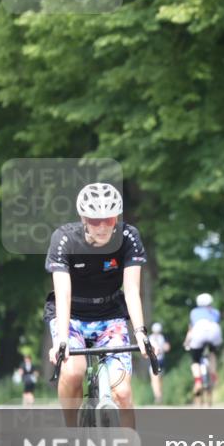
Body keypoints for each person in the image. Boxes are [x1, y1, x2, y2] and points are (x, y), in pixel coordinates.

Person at [45, 182, 151, 429]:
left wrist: (141, 333)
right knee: (73, 372)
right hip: (71, 315)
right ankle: (71, 433)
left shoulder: (128, 237)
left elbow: (132, 290)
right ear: (83, 218)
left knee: (123, 393)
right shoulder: (64, 239)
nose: (102, 226)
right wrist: (62, 340)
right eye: (94, 221)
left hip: (110, 316)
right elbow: (63, 293)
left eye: (109, 219)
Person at [185, 293, 222, 398]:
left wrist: (187, 342)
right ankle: (214, 375)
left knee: (195, 360)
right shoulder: (215, 312)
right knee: (212, 353)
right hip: (213, 331)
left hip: (199, 331)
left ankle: (198, 382)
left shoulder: (194, 312)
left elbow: (191, 330)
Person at [148, 322, 170, 404]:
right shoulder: (160, 337)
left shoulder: (153, 338)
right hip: (155, 361)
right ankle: (158, 396)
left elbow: (167, 348)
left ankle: (158, 395)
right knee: (155, 379)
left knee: (158, 379)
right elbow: (167, 348)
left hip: (158, 360)